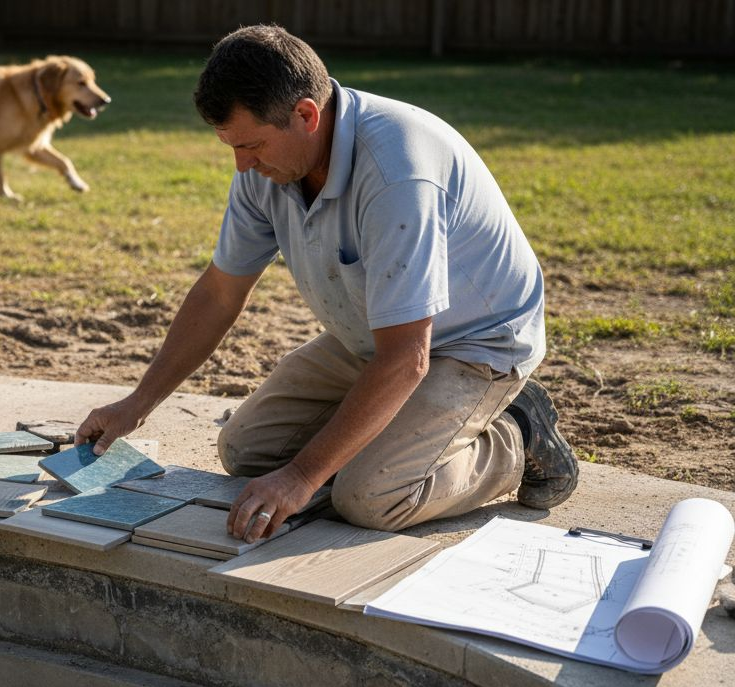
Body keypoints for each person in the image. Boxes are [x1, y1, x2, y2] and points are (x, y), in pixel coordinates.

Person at [76, 24, 578, 542]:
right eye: (231, 146)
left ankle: (519, 433)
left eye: (250, 145)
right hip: (373, 333)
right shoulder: (268, 168)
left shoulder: (397, 172)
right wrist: (135, 405)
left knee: (371, 498)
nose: (241, 164)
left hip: (474, 344)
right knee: (246, 451)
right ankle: (394, 436)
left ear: (306, 115)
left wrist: (300, 477)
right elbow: (220, 292)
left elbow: (408, 357)